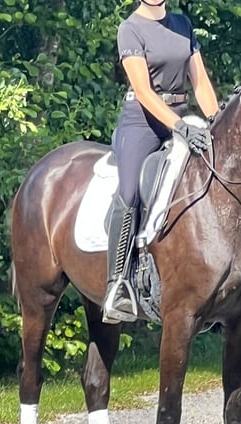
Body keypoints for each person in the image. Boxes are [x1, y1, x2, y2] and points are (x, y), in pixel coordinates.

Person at [102, 0, 218, 324]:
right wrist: (179, 128)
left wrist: (215, 121)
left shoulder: (182, 24)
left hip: (182, 115)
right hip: (142, 122)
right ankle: (118, 285)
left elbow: (201, 83)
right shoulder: (131, 29)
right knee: (130, 194)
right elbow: (143, 91)